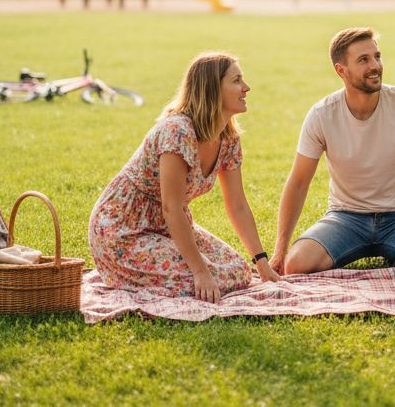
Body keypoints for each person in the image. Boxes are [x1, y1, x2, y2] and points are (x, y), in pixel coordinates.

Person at [88, 52, 283, 302]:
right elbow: (172, 207)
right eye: (236, 81)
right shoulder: (177, 131)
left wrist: (262, 262)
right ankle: (130, 277)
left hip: (167, 227)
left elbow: (238, 206)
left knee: (238, 271)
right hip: (122, 231)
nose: (246, 88)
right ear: (212, 89)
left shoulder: (229, 138)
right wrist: (200, 271)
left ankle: (156, 278)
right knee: (212, 278)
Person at [270, 27, 395, 275]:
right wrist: (280, 250)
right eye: (363, 60)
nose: (375, 66)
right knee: (297, 264)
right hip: (346, 218)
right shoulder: (322, 114)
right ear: (341, 70)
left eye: (377, 57)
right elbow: (298, 182)